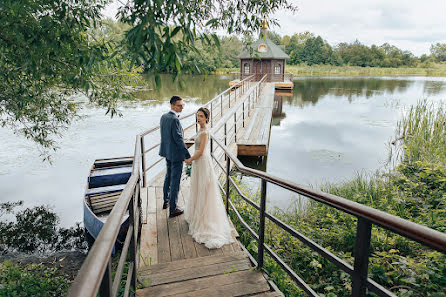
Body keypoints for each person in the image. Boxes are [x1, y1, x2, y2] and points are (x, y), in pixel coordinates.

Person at [184, 107, 234, 249]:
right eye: (197, 116)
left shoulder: (205, 132)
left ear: (207, 118)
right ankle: (195, 214)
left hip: (202, 161)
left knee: (204, 189)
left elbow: (200, 151)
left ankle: (205, 220)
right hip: (198, 163)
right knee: (197, 187)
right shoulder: (200, 130)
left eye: (201, 116)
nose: (198, 118)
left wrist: (190, 159)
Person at [159, 96, 191, 218]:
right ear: (172, 106)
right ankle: (173, 208)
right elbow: (178, 139)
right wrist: (187, 155)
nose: (182, 107)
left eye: (183, 105)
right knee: (175, 181)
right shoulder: (174, 120)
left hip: (167, 152)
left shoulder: (164, 117)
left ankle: (166, 200)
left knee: (168, 176)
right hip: (176, 155)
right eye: (179, 105)